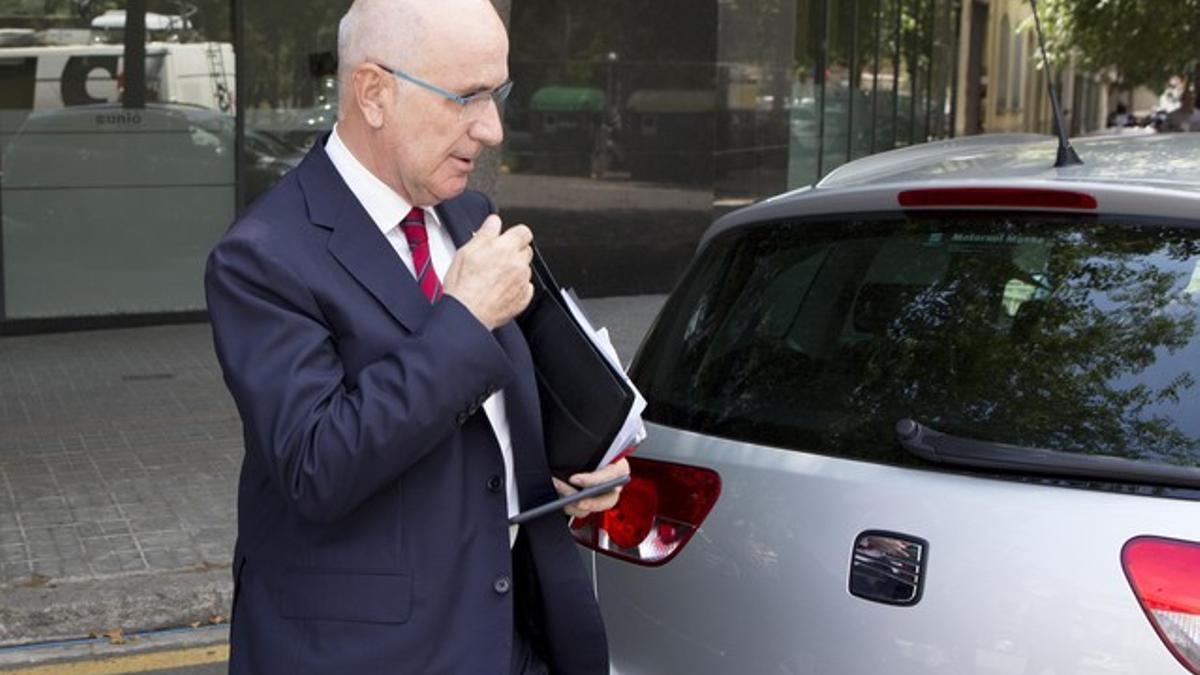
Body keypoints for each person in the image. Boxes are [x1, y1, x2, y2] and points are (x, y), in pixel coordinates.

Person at [204, 1, 629, 673]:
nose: (492, 128)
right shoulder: (262, 256)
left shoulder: (468, 213)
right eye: (467, 97)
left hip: (512, 640)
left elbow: (480, 426)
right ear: (373, 93)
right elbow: (316, 464)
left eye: (499, 94)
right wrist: (462, 318)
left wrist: (568, 472)